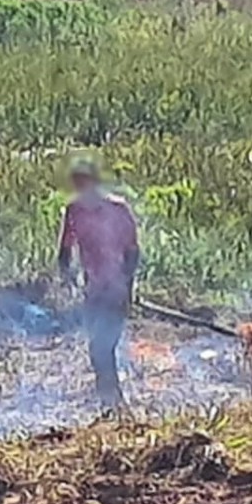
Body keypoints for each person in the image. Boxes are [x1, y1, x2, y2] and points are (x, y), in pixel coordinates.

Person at [56, 155, 140, 408]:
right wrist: (69, 277)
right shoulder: (74, 211)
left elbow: (132, 252)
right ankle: (111, 404)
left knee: (102, 348)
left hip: (115, 291)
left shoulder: (117, 209)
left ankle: (113, 404)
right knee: (98, 351)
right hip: (93, 292)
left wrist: (127, 286)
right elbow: (64, 251)